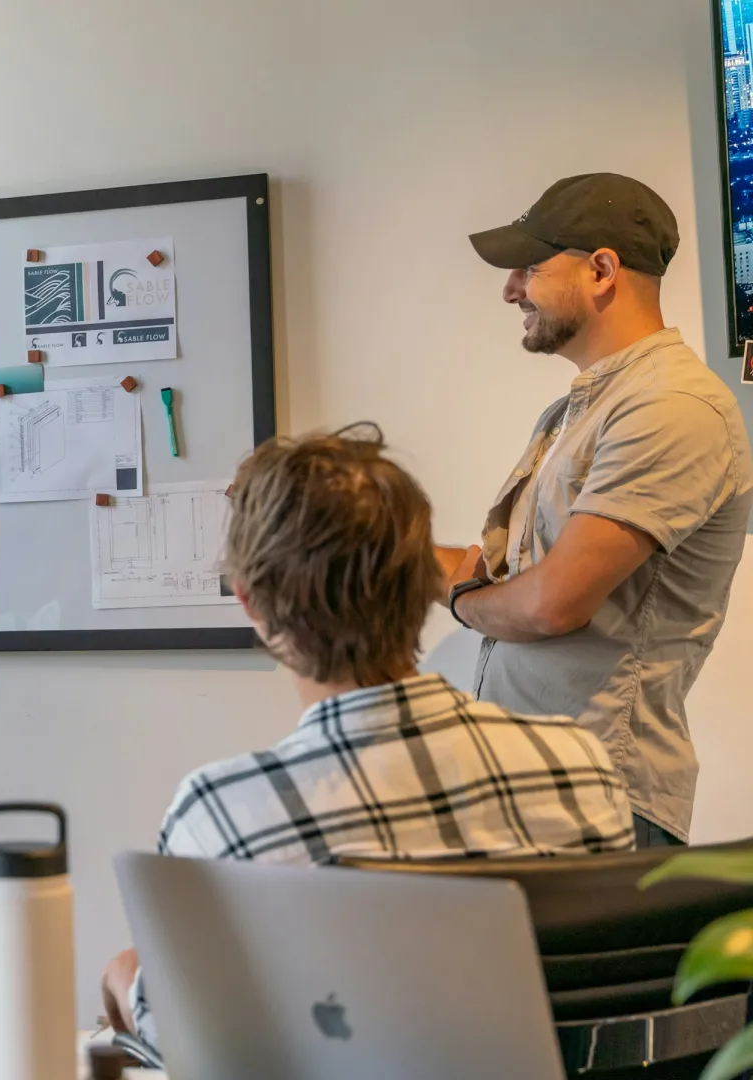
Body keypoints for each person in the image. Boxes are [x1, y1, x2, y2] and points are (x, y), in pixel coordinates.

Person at [103, 426, 634, 1048]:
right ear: (424, 586)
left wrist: (125, 976)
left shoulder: (222, 814)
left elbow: (192, 1040)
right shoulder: (580, 769)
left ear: (252, 604)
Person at [443, 173, 753, 847]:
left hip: (598, 802)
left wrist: (461, 598)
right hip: (536, 795)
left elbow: (554, 603)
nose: (510, 291)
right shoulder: (578, 411)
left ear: (602, 269)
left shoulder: (672, 407)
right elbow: (518, 580)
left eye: (528, 268)